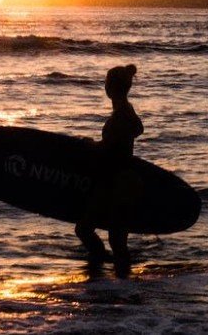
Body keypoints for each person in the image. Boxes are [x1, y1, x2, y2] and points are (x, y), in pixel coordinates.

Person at [75, 63, 143, 266]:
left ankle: (103, 269)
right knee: (115, 238)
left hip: (115, 182)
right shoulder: (126, 109)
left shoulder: (121, 114)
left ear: (110, 88)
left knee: (92, 231)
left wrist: (89, 144)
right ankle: (110, 272)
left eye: (106, 82)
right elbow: (136, 130)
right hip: (121, 180)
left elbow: (107, 148)